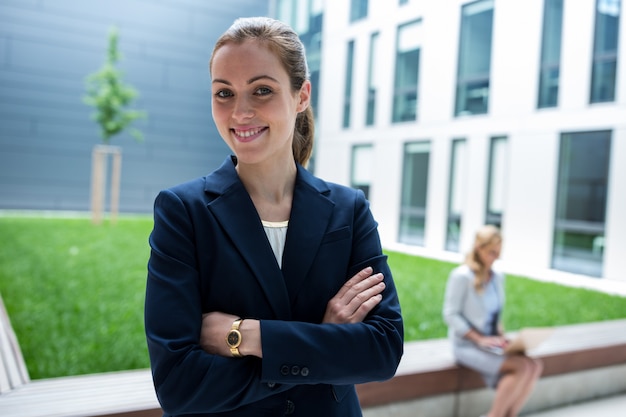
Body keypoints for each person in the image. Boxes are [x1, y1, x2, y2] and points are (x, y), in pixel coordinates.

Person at [144, 16, 404, 417]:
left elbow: (383, 350)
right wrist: (324, 339)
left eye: (261, 90)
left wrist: (243, 335)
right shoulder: (183, 212)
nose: (240, 112)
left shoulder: (348, 210)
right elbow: (179, 384)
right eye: (224, 93)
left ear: (301, 96)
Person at [442, 225, 542, 417]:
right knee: (520, 367)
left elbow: (495, 315)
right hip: (467, 345)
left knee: (534, 365)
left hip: (491, 343)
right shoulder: (461, 276)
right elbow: (450, 314)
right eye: (492, 252)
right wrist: (480, 339)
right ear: (479, 248)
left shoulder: (497, 278)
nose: (496, 257)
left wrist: (504, 339)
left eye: (498, 252)